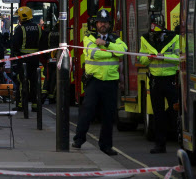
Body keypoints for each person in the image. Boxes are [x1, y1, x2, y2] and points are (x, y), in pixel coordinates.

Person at [72, 9, 126, 156]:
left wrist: (105, 44)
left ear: (109, 24)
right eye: (101, 22)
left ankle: (106, 146)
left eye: (106, 22)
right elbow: (93, 53)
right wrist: (111, 52)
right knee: (87, 111)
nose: (103, 25)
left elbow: (123, 51)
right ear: (96, 24)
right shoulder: (89, 37)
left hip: (110, 82)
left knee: (109, 116)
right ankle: (79, 139)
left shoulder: (115, 39)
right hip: (94, 81)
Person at [138, 22, 180, 154]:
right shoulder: (146, 39)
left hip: (171, 80)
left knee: (176, 113)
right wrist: (149, 58)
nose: (156, 37)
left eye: (158, 34)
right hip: (155, 81)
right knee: (158, 114)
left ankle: (181, 143)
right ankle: (160, 145)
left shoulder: (175, 38)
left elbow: (180, 57)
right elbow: (141, 58)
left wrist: (164, 57)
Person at [11, 6, 43, 112]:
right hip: (35, 60)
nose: (18, 19)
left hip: (23, 60)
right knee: (34, 82)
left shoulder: (20, 29)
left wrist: (14, 55)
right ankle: (35, 105)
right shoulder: (38, 28)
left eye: (19, 17)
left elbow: (15, 44)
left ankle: (21, 105)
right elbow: (42, 44)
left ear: (24, 17)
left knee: (22, 82)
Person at [39, 22, 59, 104]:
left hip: (50, 57)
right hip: (58, 57)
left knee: (48, 76)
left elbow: (46, 45)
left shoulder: (50, 33)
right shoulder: (62, 33)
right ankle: (51, 97)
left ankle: (44, 94)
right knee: (54, 77)